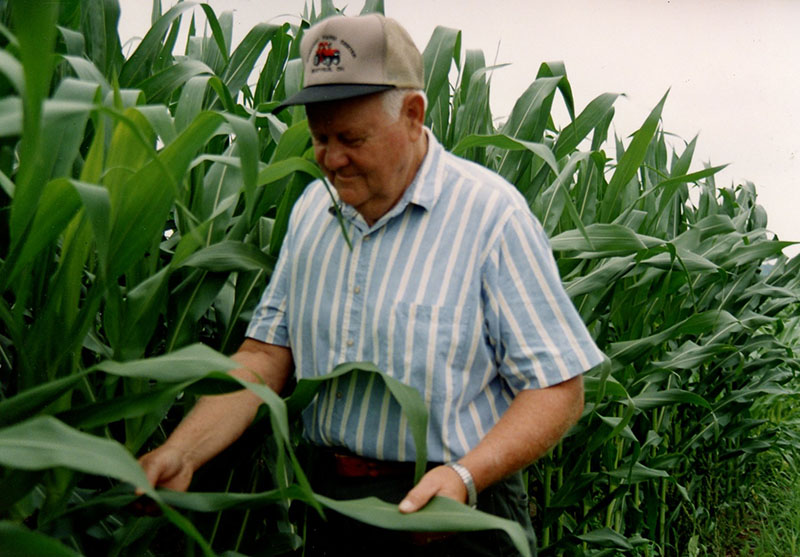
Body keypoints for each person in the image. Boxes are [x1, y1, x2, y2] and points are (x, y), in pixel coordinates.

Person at [138, 13, 605, 556]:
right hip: (333, 509)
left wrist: (464, 477)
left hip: (456, 516)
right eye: (320, 138)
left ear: (412, 114)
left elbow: (558, 389)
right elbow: (265, 356)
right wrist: (184, 451)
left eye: (351, 138)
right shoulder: (313, 211)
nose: (331, 160)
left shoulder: (490, 218)